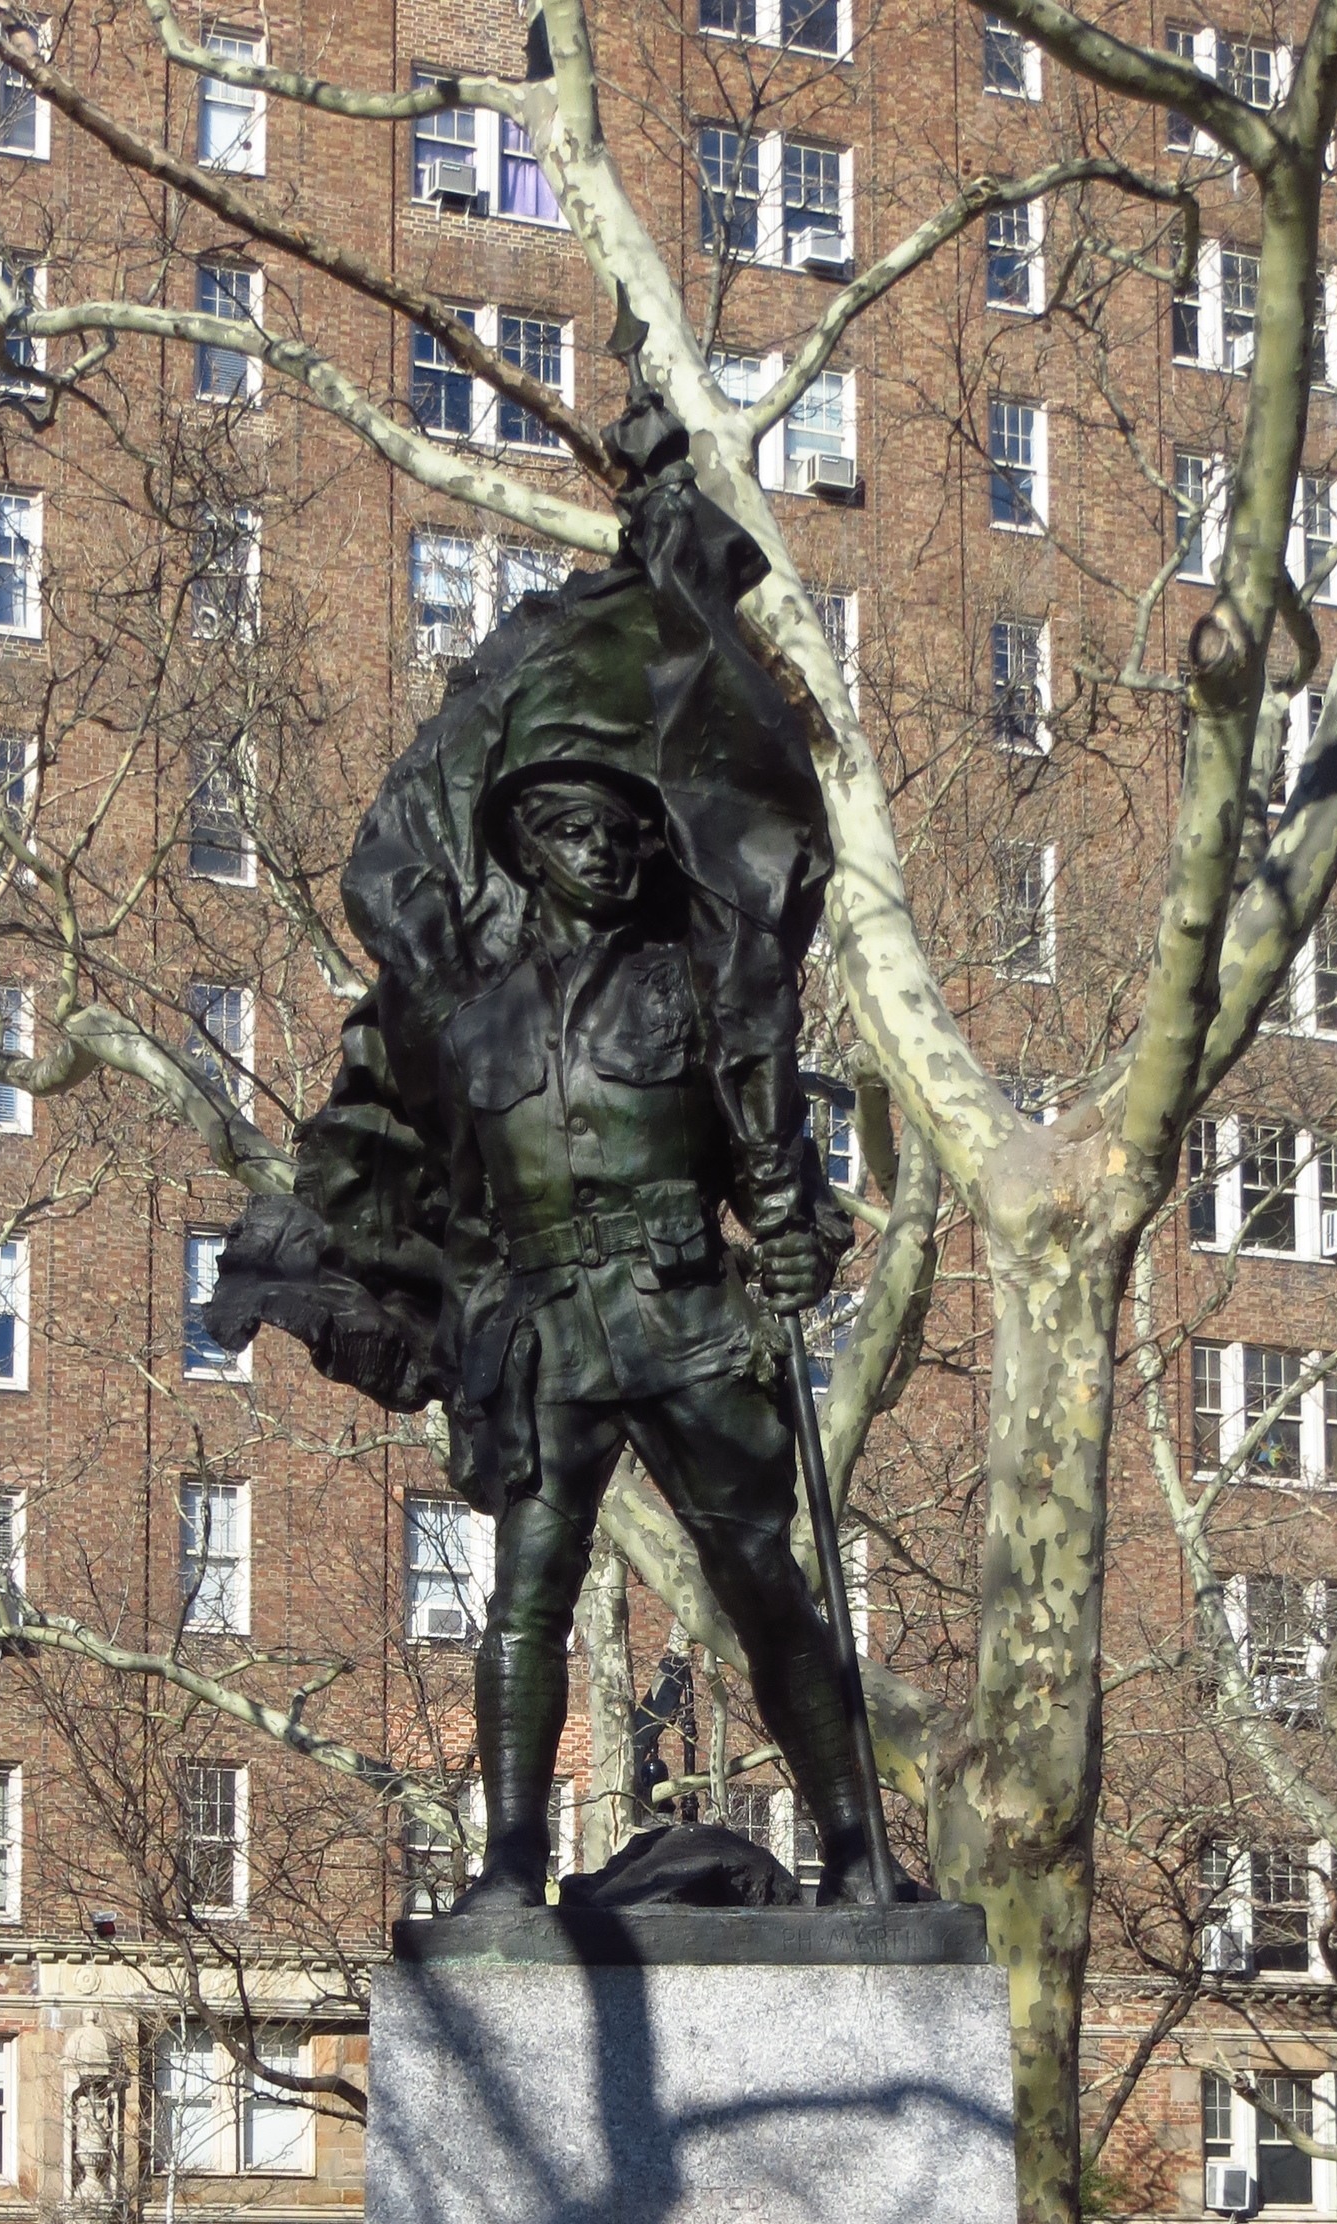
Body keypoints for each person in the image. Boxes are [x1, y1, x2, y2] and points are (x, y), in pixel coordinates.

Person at [205, 396, 894, 1910]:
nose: (593, 847)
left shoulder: (706, 991)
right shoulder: (464, 1010)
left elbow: (784, 1183)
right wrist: (484, 703)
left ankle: (858, 1855)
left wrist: (794, 1227)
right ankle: (511, 1870)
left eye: (616, 829)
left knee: (762, 1579)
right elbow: (388, 863)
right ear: (524, 846)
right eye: (564, 825)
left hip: (684, 1309)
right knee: (527, 1596)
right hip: (545, 1325)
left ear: (647, 851)